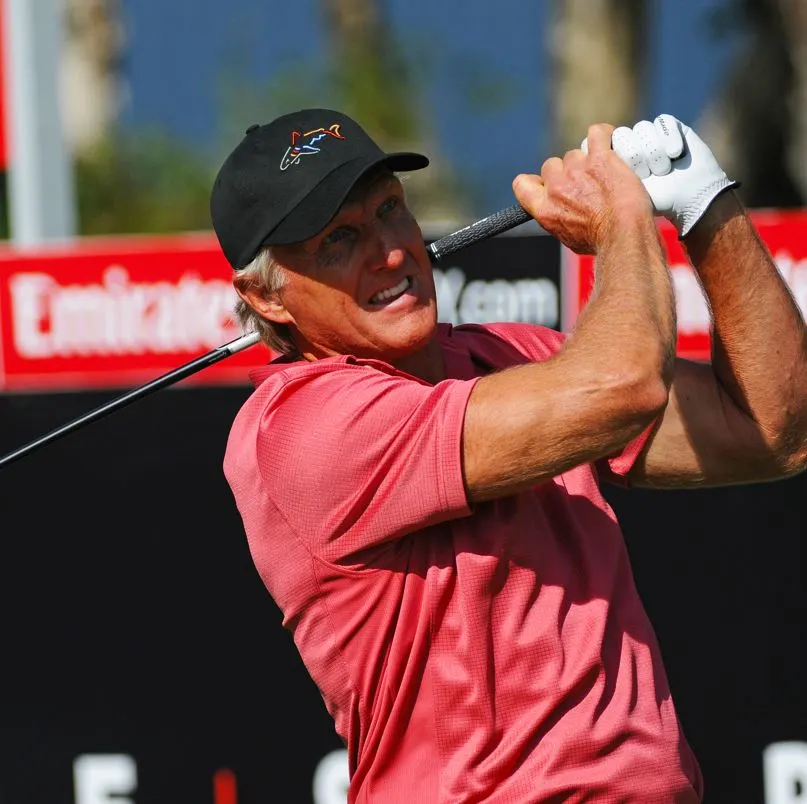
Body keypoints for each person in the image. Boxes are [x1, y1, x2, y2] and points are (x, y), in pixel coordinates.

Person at [209, 108, 807, 803]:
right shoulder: (300, 426)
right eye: (340, 239)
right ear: (264, 297)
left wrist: (706, 206)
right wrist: (621, 215)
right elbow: (625, 385)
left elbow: (775, 426)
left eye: (389, 211)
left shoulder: (513, 355)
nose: (391, 251)